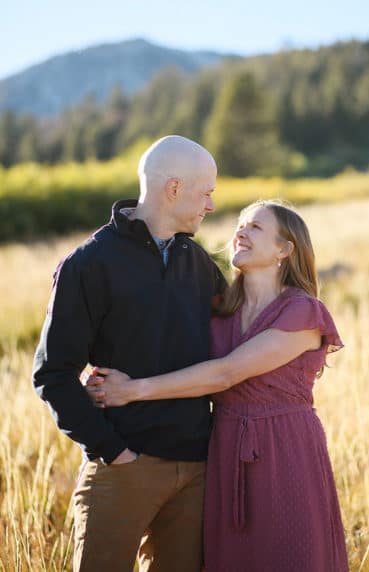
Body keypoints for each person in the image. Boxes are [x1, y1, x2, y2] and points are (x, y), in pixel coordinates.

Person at [85, 199, 348, 572]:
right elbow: (165, 342)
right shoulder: (221, 308)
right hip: (224, 450)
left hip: (285, 448)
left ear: (284, 249)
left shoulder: (302, 312)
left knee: (290, 555)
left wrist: (132, 389)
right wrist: (100, 367)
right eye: (240, 223)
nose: (241, 230)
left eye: (255, 227)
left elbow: (224, 373)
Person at [32, 135, 225, 571]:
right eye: (206, 192)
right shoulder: (89, 264)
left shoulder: (199, 264)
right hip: (123, 469)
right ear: (173, 189)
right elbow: (52, 375)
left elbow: (233, 346)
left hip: (197, 470)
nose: (210, 205)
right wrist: (112, 452)